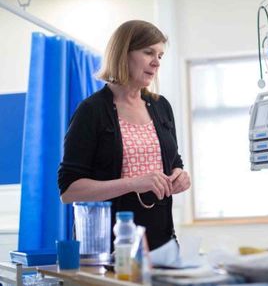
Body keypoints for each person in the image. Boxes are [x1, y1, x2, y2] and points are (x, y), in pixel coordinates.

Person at [58, 20, 190, 251]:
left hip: (162, 242)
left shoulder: (161, 107)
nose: (156, 62)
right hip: (109, 248)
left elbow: (173, 161)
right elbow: (69, 191)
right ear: (123, 54)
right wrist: (133, 183)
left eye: (160, 55)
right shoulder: (92, 111)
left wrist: (179, 175)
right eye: (148, 52)